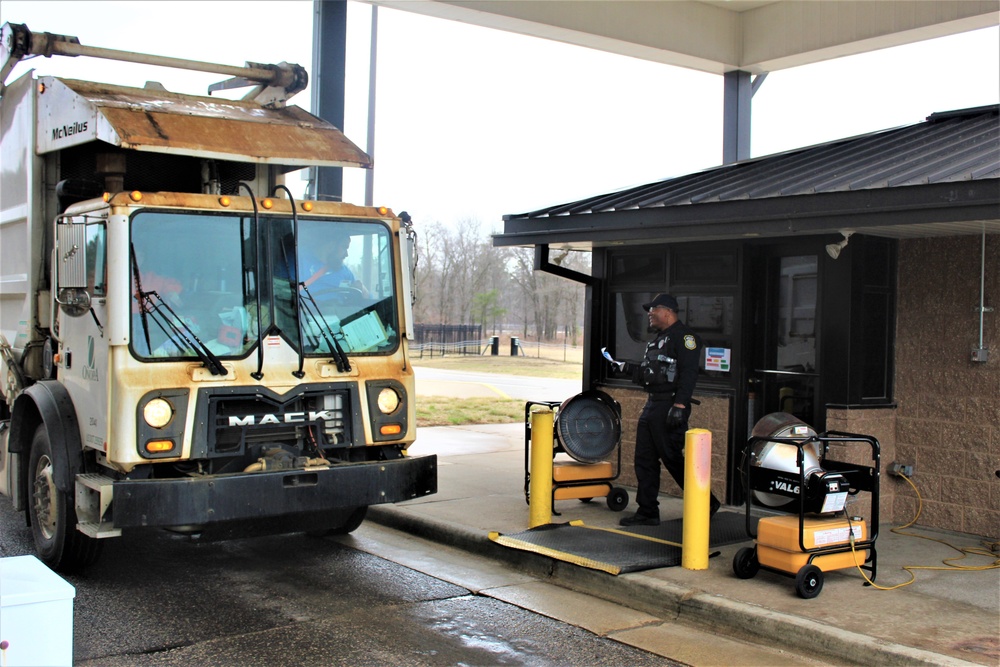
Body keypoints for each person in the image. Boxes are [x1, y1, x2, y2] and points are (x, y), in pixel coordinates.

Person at [619, 293, 721, 526]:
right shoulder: (657, 340)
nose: (649, 315)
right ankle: (647, 512)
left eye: (652, 311)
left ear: (667, 311)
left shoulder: (686, 338)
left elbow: (688, 373)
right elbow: (651, 373)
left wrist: (680, 405)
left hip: (670, 405)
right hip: (653, 404)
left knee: (673, 458)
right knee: (644, 459)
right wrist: (626, 368)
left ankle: (707, 502)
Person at [300, 233, 368, 296]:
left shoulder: (344, 271)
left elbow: (367, 297)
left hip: (341, 307)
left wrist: (362, 289)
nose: (346, 254)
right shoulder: (300, 262)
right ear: (331, 245)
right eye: (344, 247)